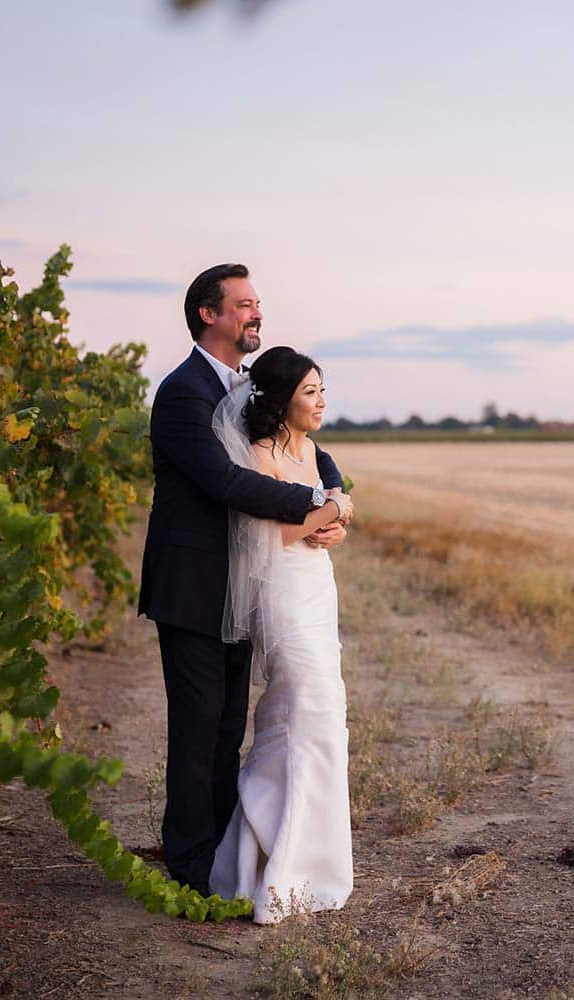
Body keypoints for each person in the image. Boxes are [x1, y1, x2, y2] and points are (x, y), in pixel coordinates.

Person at [138, 264, 353, 897]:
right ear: (210, 314)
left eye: (258, 304)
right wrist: (318, 507)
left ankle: (227, 856)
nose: (257, 313)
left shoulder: (245, 386)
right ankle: (190, 865)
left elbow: (304, 444)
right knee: (199, 727)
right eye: (245, 304)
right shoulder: (185, 393)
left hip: (243, 587)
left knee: (231, 725)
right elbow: (225, 483)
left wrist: (335, 494)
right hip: (194, 585)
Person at [209, 347, 352, 924]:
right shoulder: (259, 456)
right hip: (282, 595)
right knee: (304, 707)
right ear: (282, 400)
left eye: (322, 390)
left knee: (323, 719)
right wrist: (332, 510)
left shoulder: (315, 452)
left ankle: (298, 861)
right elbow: (268, 537)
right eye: (310, 393)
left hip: (319, 589)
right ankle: (273, 864)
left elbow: (332, 509)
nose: (320, 402)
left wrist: (336, 520)